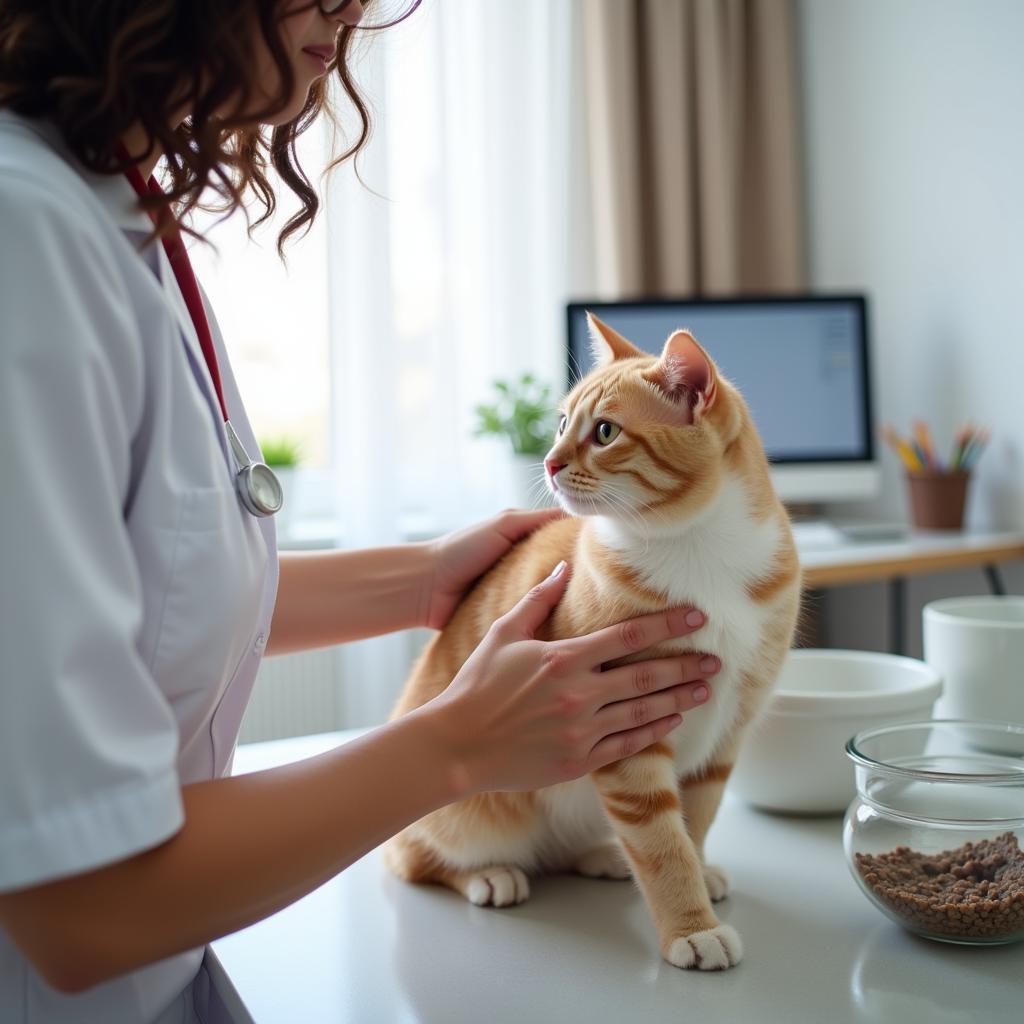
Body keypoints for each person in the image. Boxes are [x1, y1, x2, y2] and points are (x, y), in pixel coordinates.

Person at [0, 2, 717, 1020]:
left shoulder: (109, 206)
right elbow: (83, 905)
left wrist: (424, 579)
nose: (358, 6)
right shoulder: (26, 236)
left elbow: (133, 585)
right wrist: (454, 745)